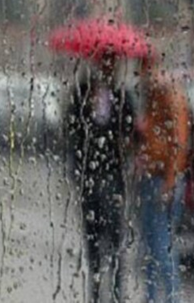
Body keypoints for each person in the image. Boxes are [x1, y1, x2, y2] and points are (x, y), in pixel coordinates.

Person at [64, 52, 137, 302]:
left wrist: (122, 141)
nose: (106, 68)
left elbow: (131, 131)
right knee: (93, 245)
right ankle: (95, 296)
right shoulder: (83, 92)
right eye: (102, 62)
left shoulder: (122, 95)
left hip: (113, 177)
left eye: (110, 63)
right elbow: (71, 128)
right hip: (90, 178)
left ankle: (116, 296)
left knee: (115, 243)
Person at [135, 56, 190, 303]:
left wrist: (170, 181)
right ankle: (151, 298)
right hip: (150, 177)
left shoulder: (169, 95)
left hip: (162, 179)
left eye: (145, 69)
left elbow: (179, 141)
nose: (142, 76)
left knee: (161, 244)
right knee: (150, 245)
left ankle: (172, 298)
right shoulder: (151, 97)